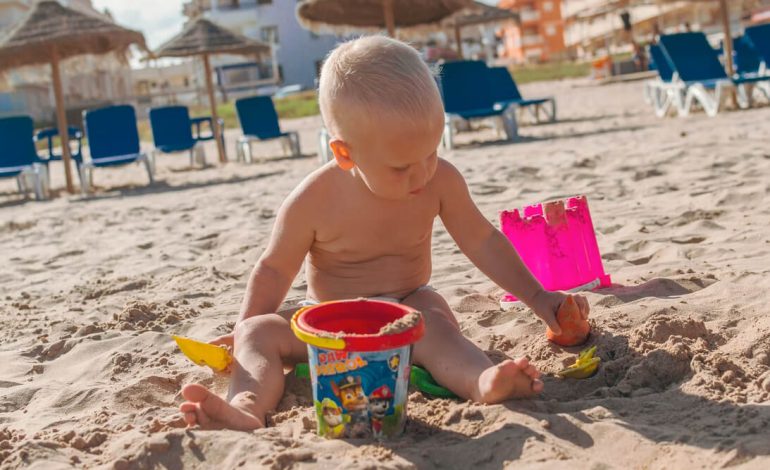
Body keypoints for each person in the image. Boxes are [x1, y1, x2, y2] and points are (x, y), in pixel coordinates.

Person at [179, 36, 590, 431]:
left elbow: (481, 240)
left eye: (431, 152)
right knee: (255, 332)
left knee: (439, 323)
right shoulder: (313, 199)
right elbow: (272, 270)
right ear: (345, 153)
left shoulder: (440, 180)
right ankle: (246, 408)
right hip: (328, 325)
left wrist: (539, 298)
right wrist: (242, 327)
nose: (422, 173)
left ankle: (484, 382)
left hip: (407, 312)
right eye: (401, 166)